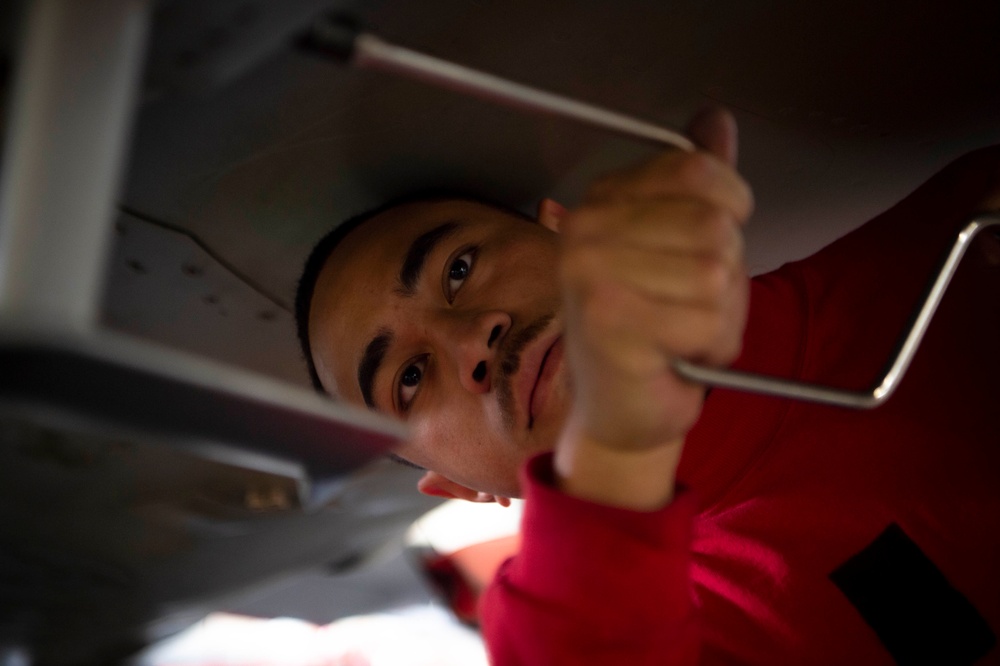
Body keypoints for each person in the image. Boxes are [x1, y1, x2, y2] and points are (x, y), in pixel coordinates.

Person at [295, 108, 1000, 664]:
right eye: (410, 380)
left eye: (458, 269)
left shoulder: (970, 234)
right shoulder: (634, 635)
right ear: (460, 489)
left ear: (570, 231)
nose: (469, 338)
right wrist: (618, 447)